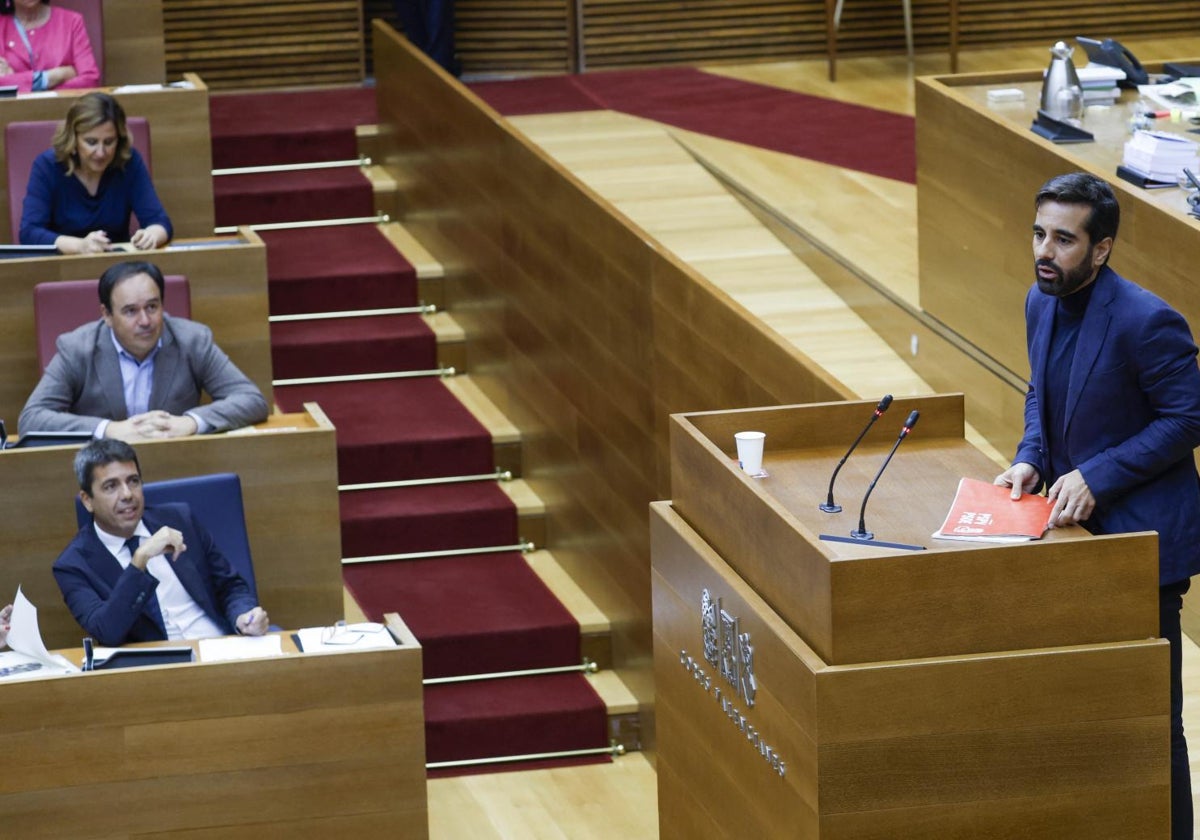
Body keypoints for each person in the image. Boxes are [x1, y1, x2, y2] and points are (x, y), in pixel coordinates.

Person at [994, 171, 1200, 840]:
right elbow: (1041, 392)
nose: (1044, 252)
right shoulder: (1040, 300)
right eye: (1038, 233)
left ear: (1103, 248)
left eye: (1063, 239)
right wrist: (1031, 453)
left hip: (1141, 546)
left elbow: (1189, 416)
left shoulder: (1145, 320)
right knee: (1082, 705)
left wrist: (1098, 474)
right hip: (1068, 538)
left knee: (1151, 719)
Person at [19, 260, 269, 440]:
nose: (145, 321)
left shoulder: (192, 340)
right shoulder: (77, 348)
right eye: (130, 311)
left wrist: (191, 422)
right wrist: (109, 430)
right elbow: (32, 419)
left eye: (152, 307)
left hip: (177, 464)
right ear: (106, 314)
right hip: (104, 476)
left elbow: (251, 399)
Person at [53, 439, 269, 647]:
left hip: (219, 647)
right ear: (87, 500)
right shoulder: (73, 566)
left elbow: (230, 585)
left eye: (133, 481)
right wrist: (140, 560)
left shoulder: (180, 518)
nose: (127, 494)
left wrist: (243, 616)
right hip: (156, 669)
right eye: (111, 487)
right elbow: (107, 631)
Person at [19, 92, 171, 254]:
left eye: (108, 142)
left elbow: (159, 221)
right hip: (61, 266)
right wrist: (80, 246)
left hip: (118, 267)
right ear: (73, 139)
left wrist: (151, 235)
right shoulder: (47, 166)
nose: (101, 153)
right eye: (91, 142)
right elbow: (29, 233)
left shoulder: (128, 161)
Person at [0, 0, 99, 93]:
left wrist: (18, 81)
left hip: (64, 108)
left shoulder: (72, 21)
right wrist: (56, 76)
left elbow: (91, 80)